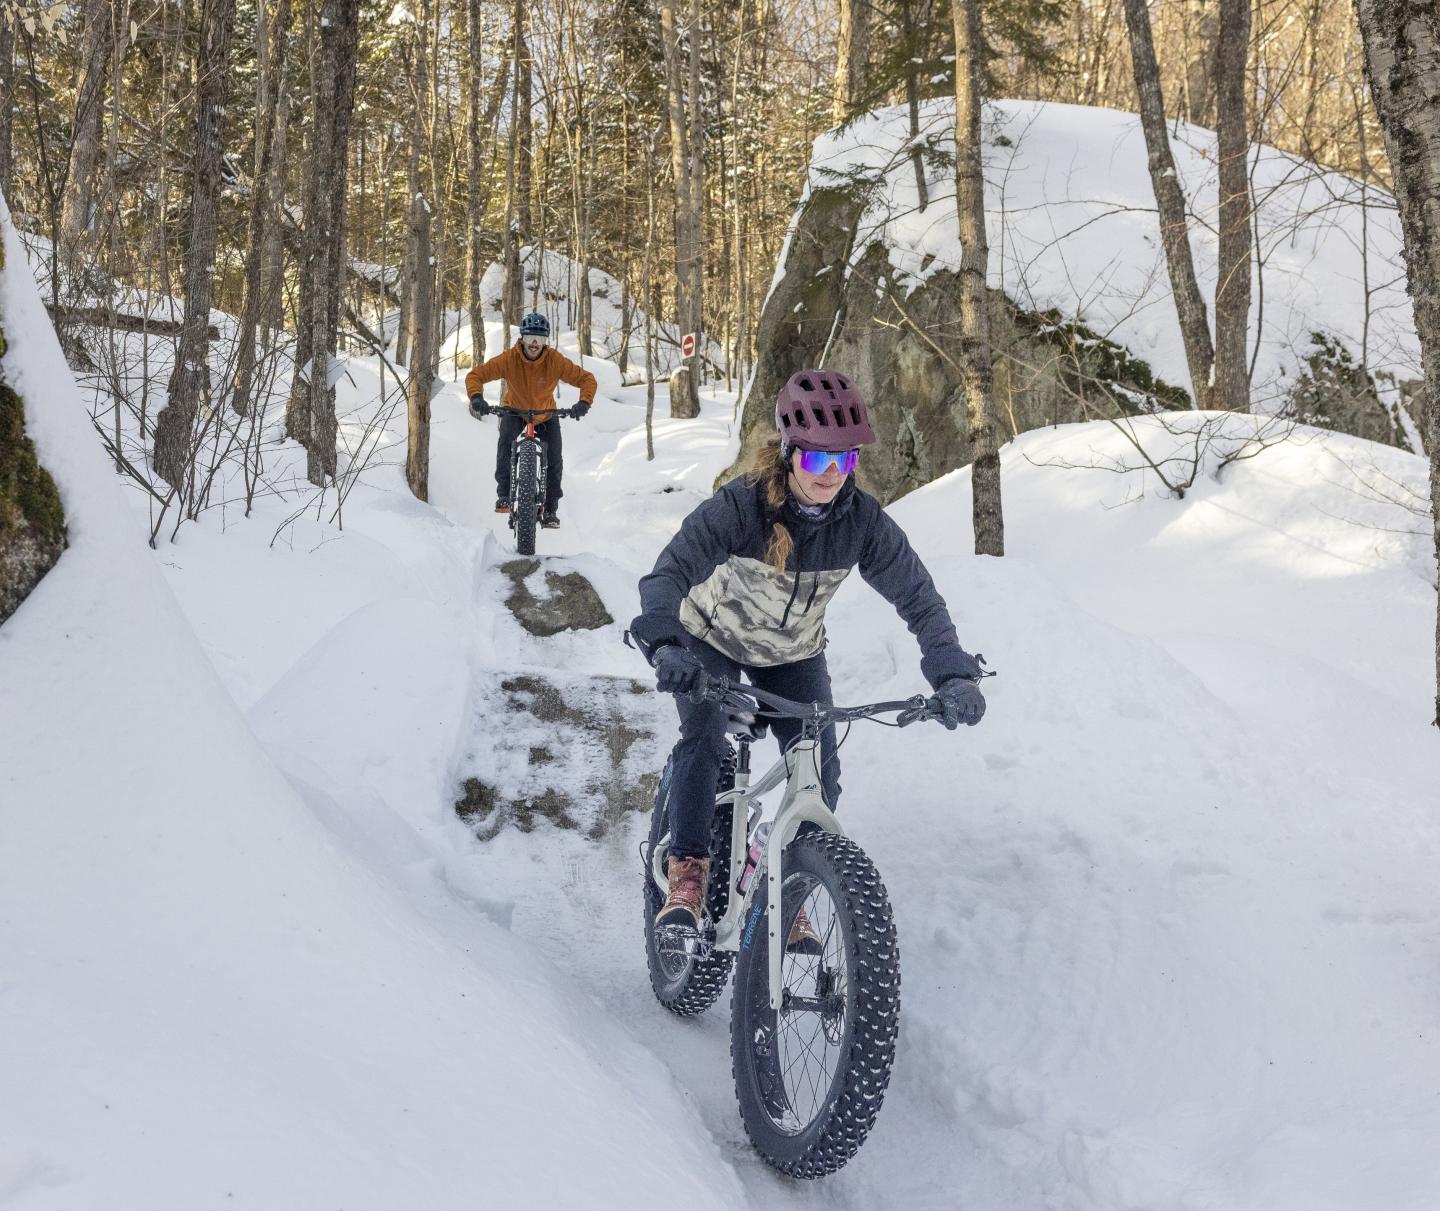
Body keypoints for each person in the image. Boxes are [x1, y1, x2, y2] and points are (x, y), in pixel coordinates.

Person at [629, 368, 988, 938]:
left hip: (792, 655)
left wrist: (950, 669)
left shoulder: (861, 521)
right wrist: (666, 640)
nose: (831, 476)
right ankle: (688, 874)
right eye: (819, 461)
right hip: (710, 642)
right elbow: (670, 570)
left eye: (845, 462)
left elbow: (918, 596)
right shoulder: (741, 507)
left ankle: (789, 881)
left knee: (819, 773)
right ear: (790, 453)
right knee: (704, 737)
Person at [466, 311, 597, 529]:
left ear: (546, 342)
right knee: (506, 445)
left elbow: (587, 379)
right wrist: (476, 397)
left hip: (545, 414)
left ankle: (550, 509)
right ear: (522, 338)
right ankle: (504, 495)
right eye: (529, 338)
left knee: (554, 459)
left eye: (540, 339)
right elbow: (475, 376)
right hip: (514, 411)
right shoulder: (509, 359)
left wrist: (583, 403)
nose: (534, 344)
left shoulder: (554, 360)